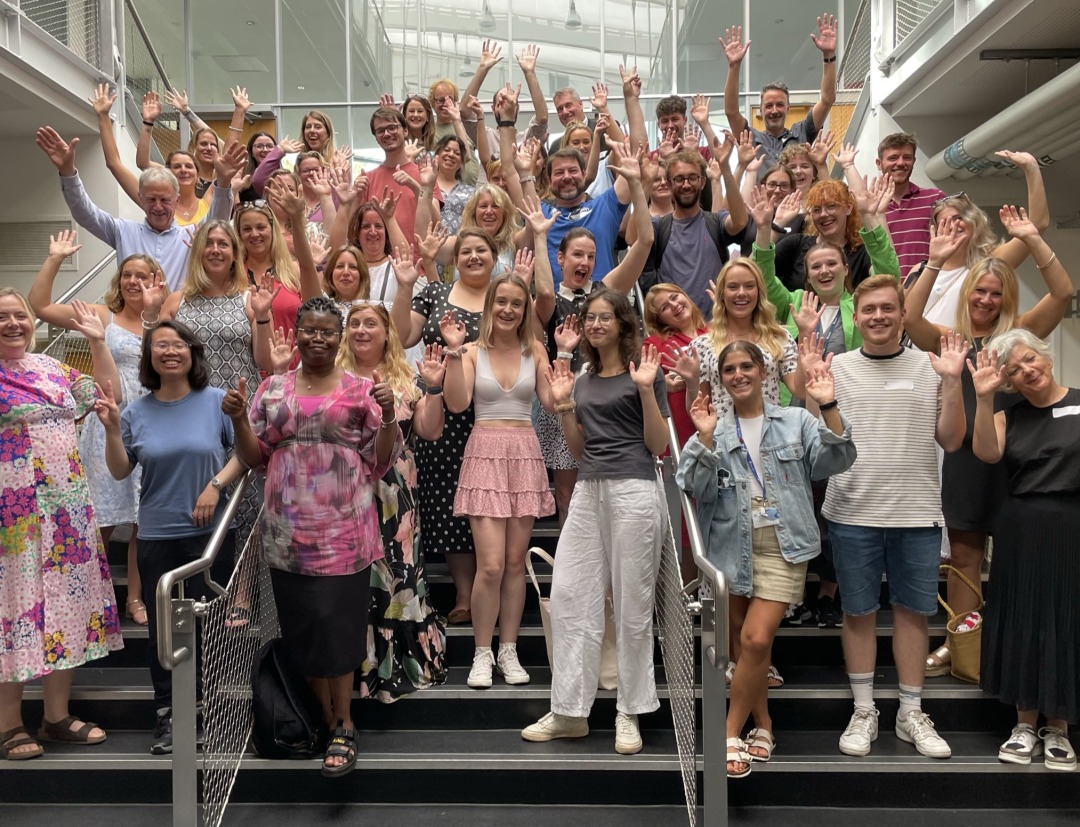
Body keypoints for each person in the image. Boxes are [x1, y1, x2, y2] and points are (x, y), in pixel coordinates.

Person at [234, 296, 402, 778]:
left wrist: (389, 417)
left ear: (341, 335)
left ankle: (345, 723)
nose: (318, 338)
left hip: (345, 531)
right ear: (300, 331)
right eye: (309, 329)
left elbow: (380, 458)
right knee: (304, 629)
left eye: (329, 331)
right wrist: (236, 419)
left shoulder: (361, 389)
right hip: (287, 532)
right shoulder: (271, 388)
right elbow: (253, 456)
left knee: (337, 627)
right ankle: (322, 720)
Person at [902, 206, 1071, 678]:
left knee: (1021, 556)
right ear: (967, 293)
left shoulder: (1021, 337)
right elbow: (909, 315)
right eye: (979, 290)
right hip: (965, 459)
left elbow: (1063, 292)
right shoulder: (949, 340)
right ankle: (963, 645)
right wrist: (934, 262)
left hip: (1020, 458)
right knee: (964, 556)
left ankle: (1016, 643)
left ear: (1006, 296)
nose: (987, 299)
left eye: (996, 293)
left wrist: (1034, 239)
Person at [678, 341, 856, 776]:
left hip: (784, 543)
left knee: (757, 640)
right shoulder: (715, 429)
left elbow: (838, 458)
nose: (738, 375)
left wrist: (827, 402)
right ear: (721, 378)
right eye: (729, 369)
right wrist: (701, 437)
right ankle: (764, 723)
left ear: (764, 371)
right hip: (729, 546)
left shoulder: (796, 420)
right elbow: (692, 486)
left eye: (746, 367)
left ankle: (727, 733)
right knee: (743, 643)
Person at [822, 274, 968, 760]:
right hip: (852, 511)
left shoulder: (931, 368)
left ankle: (910, 711)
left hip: (917, 510)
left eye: (888, 308)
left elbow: (951, 439)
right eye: (869, 310)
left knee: (912, 613)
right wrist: (811, 391)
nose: (879, 317)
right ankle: (864, 709)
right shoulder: (836, 368)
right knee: (858, 612)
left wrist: (951, 380)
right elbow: (823, 447)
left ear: (903, 315)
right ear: (856, 316)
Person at [521, 287, 670, 756]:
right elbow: (579, 449)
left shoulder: (643, 372)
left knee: (631, 604)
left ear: (624, 324)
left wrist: (646, 390)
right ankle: (569, 711)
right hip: (589, 487)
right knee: (568, 595)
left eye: (606, 317)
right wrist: (565, 407)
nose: (597, 325)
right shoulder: (582, 378)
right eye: (590, 318)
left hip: (635, 488)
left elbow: (658, 443)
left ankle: (629, 710)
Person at [98, 320, 238, 755]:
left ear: (192, 353)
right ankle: (167, 715)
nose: (170, 352)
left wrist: (214, 487)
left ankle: (207, 710)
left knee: (206, 625)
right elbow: (121, 470)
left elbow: (245, 457)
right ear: (150, 356)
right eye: (161, 345)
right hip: (158, 533)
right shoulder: (137, 411)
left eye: (178, 344)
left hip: (210, 536)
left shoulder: (217, 402)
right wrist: (111, 428)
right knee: (164, 632)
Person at [1, 290, 123, 761]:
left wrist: (97, 342)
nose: (13, 323)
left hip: (67, 513)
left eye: (20, 316)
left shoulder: (52, 368)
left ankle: (55, 717)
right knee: (12, 611)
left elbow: (107, 397)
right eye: (2, 317)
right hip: (11, 519)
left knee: (67, 612)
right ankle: (8, 723)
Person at [28, 231, 166, 628]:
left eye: (143, 274)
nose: (133, 281)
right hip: (108, 421)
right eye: (127, 275)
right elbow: (39, 305)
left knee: (144, 518)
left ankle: (135, 598)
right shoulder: (101, 316)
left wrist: (155, 315)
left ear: (156, 279)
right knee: (101, 517)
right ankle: (89, 598)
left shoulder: (165, 318)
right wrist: (55, 258)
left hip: (151, 420)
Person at [968, 329, 1079, 770]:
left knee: (1067, 620)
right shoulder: (1007, 415)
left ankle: (1060, 728)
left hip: (1073, 526)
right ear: (1008, 381)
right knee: (1024, 619)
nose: (1026, 371)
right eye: (1014, 369)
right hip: (1022, 527)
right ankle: (1023, 725)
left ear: (1047, 358)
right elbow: (986, 454)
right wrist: (982, 398)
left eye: (1030, 359)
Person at [442, 272, 556, 689]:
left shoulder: (536, 349)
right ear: (490, 306)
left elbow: (551, 401)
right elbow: (456, 403)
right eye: (502, 302)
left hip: (524, 452)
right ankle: (482, 653)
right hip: (485, 452)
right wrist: (453, 355)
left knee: (513, 564)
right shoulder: (472, 351)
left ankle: (508, 651)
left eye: (517, 303)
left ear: (525, 309)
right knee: (489, 565)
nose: (509, 309)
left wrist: (567, 369)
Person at [391, 231, 504, 625]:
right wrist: (405, 288)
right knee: (451, 500)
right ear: (454, 258)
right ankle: (463, 591)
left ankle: (495, 587)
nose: (474, 256)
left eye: (482, 250)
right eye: (465, 251)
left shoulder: (505, 295)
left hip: (494, 411)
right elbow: (402, 335)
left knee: (492, 501)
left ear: (495, 256)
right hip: (441, 410)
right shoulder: (434, 293)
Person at [336, 304, 448, 701]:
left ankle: (400, 663)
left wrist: (433, 388)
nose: (362, 330)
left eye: (371, 324)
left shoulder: (409, 377)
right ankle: (351, 667)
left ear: (387, 332)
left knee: (397, 574)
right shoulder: (333, 379)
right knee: (355, 577)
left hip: (395, 494)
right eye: (355, 324)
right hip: (344, 493)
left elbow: (430, 431)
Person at [36, 126, 241, 291]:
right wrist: (68, 173)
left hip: (178, 330)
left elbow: (218, 220)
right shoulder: (123, 231)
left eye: (165, 200)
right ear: (141, 200)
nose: (158, 207)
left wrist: (223, 182)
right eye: (151, 200)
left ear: (176, 200)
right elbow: (85, 214)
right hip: (131, 327)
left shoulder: (192, 235)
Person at [496, 87, 633, 284]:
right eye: (559, 172)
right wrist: (507, 120)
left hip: (601, 308)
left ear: (584, 174)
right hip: (556, 309)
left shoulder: (605, 206)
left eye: (573, 171)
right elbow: (509, 170)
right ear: (549, 181)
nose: (567, 176)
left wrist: (626, 99)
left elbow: (630, 157)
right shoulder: (540, 213)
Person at [902, 153, 1048, 330]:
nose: (953, 226)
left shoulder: (990, 263)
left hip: (963, 353)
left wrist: (1031, 168)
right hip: (918, 354)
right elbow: (901, 317)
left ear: (973, 221)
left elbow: (1037, 225)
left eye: (958, 218)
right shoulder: (921, 269)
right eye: (944, 222)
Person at [630, 146, 748, 317]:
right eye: (679, 179)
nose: (686, 184)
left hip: (715, 326)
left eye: (692, 178)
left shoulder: (715, 222)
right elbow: (632, 238)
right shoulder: (658, 226)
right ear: (670, 184)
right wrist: (646, 184)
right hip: (673, 330)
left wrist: (726, 169)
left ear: (702, 182)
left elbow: (739, 222)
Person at [721, 14, 838, 166]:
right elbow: (731, 111)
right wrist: (734, 66)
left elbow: (827, 100)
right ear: (761, 110)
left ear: (788, 108)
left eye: (780, 105)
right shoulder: (749, 138)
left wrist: (828, 55)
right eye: (768, 106)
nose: (774, 110)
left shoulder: (802, 133)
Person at [835, 134, 946, 274]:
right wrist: (848, 165)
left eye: (906, 157)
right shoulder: (871, 206)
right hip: (886, 289)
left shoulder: (935, 198)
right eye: (893, 158)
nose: (900, 163)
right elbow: (859, 197)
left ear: (914, 161)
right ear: (879, 163)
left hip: (927, 288)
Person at [366, 107, 421, 245]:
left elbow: (436, 217)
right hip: (378, 263)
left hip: (416, 262)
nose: (386, 134)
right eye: (380, 131)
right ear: (376, 139)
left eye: (392, 128)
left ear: (405, 130)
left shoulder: (424, 174)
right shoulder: (368, 179)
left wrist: (415, 186)